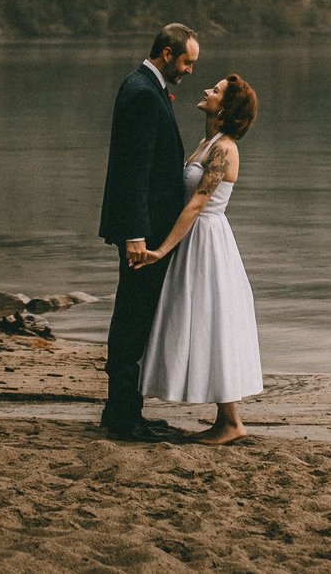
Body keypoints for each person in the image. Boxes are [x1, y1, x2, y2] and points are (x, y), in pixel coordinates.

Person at [131, 73, 264, 443]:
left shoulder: (224, 149)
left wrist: (161, 250)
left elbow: (197, 205)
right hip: (195, 239)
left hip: (206, 238)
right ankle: (226, 419)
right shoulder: (208, 142)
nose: (207, 90)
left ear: (226, 108)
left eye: (217, 90)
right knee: (200, 321)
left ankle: (232, 422)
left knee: (212, 320)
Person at [97, 22, 198, 440]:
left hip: (147, 229)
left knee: (135, 317)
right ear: (168, 53)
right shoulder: (142, 92)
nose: (191, 71)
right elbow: (134, 172)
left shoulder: (144, 86)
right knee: (132, 319)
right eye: (188, 61)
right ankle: (123, 418)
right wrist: (136, 235)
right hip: (145, 233)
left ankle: (121, 409)